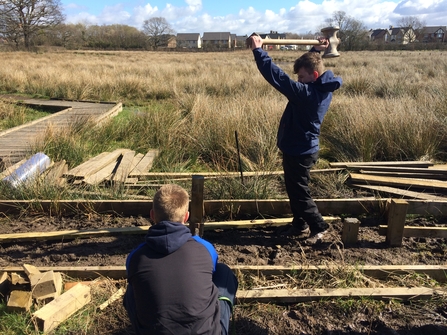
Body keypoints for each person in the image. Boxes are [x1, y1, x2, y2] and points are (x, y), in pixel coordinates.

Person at [248, 35, 342, 239]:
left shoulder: (308, 95)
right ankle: (300, 225)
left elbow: (278, 78)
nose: (299, 81)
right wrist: (315, 50)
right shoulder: (321, 86)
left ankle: (319, 226)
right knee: (295, 190)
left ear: (314, 75)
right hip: (300, 147)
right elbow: (312, 66)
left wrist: (259, 51)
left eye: (301, 78)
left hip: (300, 150)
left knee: (299, 193)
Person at [123, 184, 238, 335]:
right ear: (186, 216)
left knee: (132, 288)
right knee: (223, 272)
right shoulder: (205, 249)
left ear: (152, 215)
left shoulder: (135, 257)